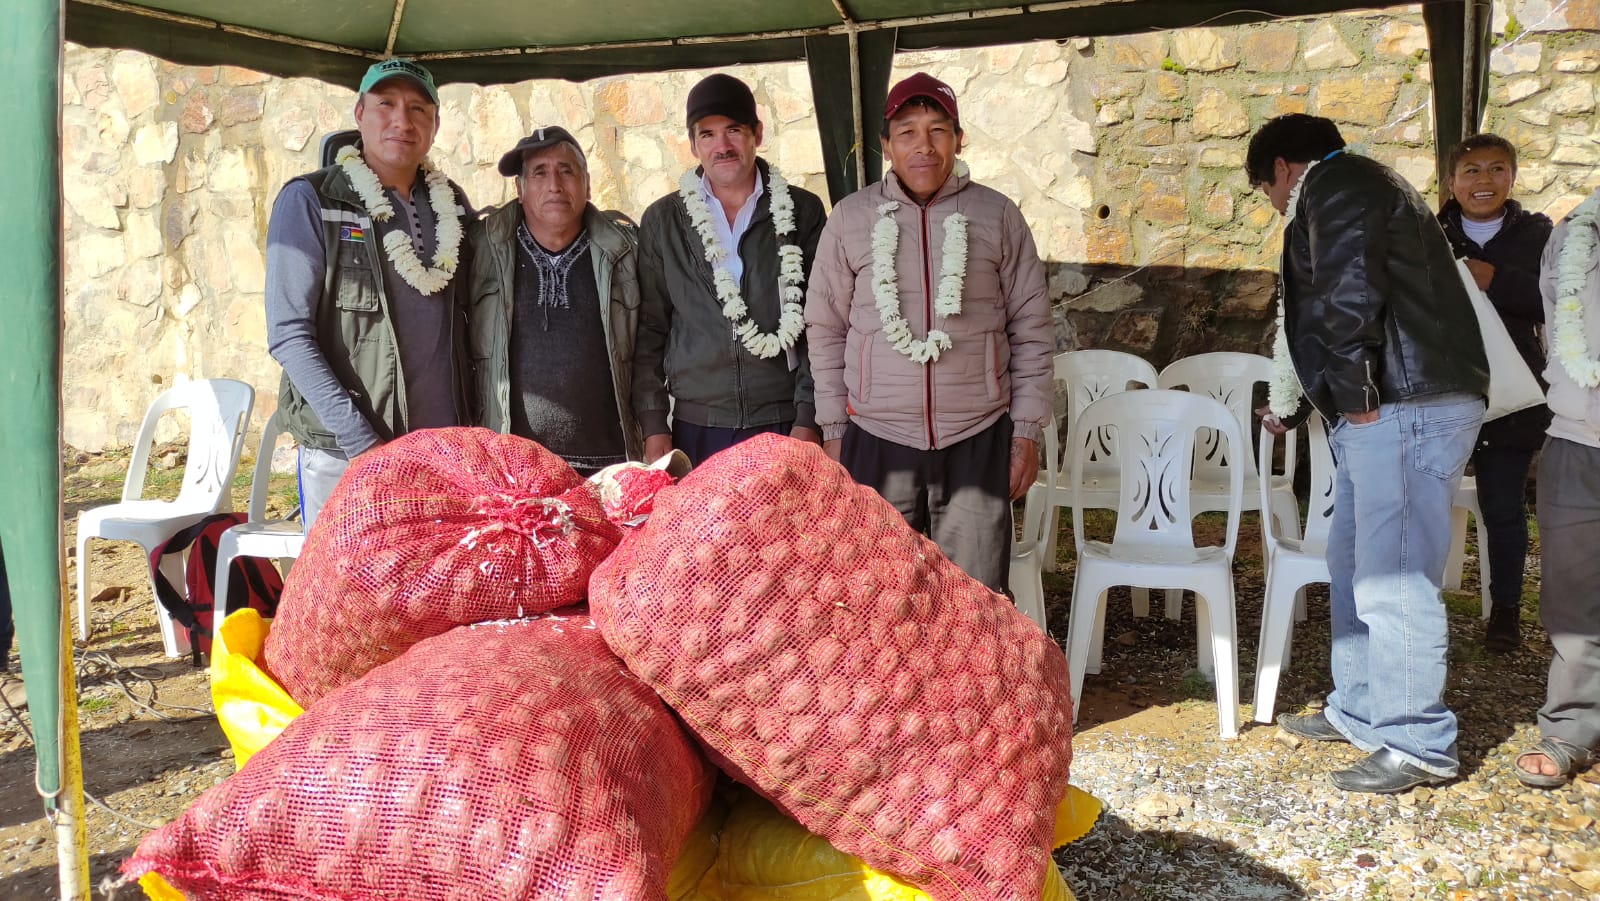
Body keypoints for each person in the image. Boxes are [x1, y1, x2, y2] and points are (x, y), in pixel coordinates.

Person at [1249, 114, 1488, 794]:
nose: (1275, 208)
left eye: (1268, 194)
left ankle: (1417, 740)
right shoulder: (1358, 183)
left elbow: (1346, 286)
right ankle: (1360, 708)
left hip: (1400, 403)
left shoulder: (1340, 185)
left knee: (1395, 574)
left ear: (1284, 171)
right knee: (1351, 558)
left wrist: (1353, 392)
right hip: (1391, 403)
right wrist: (1306, 403)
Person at [804, 73, 1053, 594]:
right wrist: (832, 430)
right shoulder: (850, 219)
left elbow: (1031, 328)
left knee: (975, 600)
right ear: (886, 145)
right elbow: (824, 330)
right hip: (876, 440)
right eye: (908, 132)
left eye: (938, 130)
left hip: (977, 437)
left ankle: (978, 680)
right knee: (879, 598)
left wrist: (1026, 431)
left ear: (959, 139)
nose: (924, 146)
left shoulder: (998, 215)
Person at [266, 59, 475, 531]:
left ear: (435, 125)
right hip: (350, 454)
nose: (403, 120)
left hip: (445, 451)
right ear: (359, 114)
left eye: (419, 109)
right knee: (355, 597)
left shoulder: (452, 204)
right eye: (386, 104)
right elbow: (288, 336)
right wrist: (360, 442)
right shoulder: (311, 201)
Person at [635, 74, 827, 465]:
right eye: (707, 134)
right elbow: (649, 330)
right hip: (696, 428)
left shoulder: (803, 212)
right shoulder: (663, 220)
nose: (721, 146)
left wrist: (809, 419)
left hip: (784, 423)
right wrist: (655, 424)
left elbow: (821, 324)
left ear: (757, 133)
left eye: (734, 130)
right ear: (693, 145)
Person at [466, 126, 645, 475]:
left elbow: (651, 348)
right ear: (520, 189)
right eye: (539, 173)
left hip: (608, 467)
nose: (554, 185)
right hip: (514, 470)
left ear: (588, 184)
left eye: (566, 171)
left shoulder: (625, 254)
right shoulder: (482, 250)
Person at [1437, 133, 1553, 654]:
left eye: (1496, 169)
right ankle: (1418, 607)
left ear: (1512, 176)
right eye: (1471, 171)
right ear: (1451, 182)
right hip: (1441, 390)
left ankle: (1504, 612)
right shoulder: (1427, 234)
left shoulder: (1539, 234)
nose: (1484, 181)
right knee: (1422, 503)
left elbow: (1554, 300)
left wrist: (1494, 279)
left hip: (1514, 391)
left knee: (1503, 507)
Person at [1515, 187, 1600, 789]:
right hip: (1576, 440)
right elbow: (1551, 319)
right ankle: (1573, 727)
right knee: (1571, 598)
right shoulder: (1575, 232)